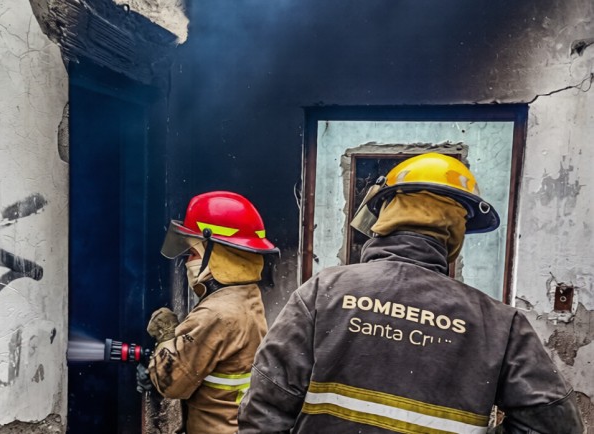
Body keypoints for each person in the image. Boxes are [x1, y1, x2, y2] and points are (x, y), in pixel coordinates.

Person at [238, 153, 584, 433]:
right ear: (455, 233)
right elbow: (558, 424)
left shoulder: (323, 292)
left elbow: (265, 406)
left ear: (385, 215)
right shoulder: (499, 324)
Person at [140, 191, 278, 434]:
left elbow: (171, 383)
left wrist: (166, 335)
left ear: (219, 255)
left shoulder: (217, 312)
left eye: (193, 253)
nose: (187, 262)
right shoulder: (246, 296)